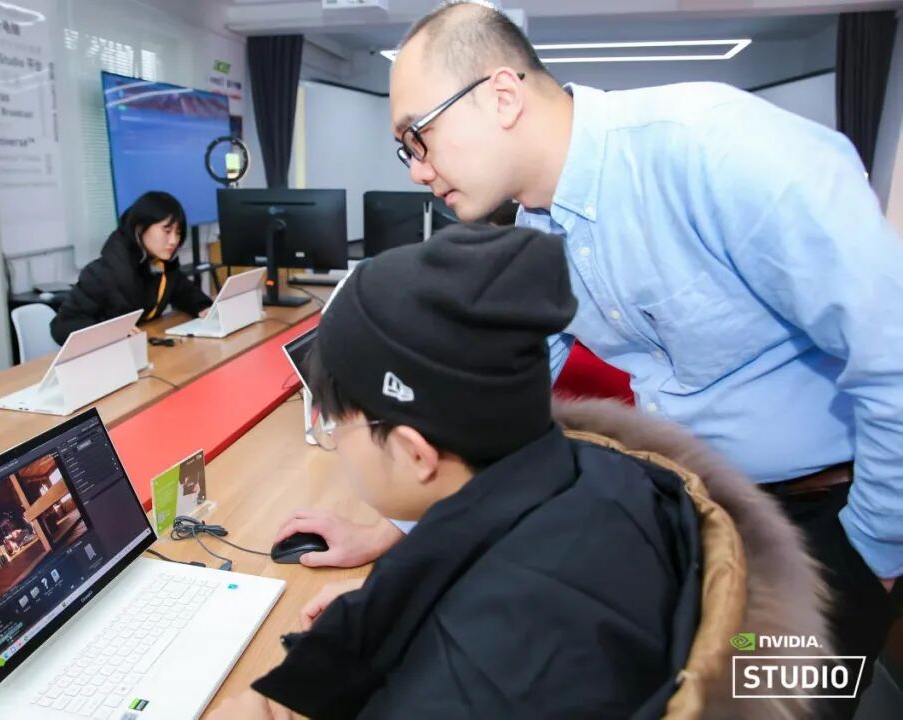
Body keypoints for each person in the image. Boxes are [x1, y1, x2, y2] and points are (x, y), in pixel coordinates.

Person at [282, 3, 902, 714]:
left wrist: (872, 553)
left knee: (785, 705)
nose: (419, 170)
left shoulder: (716, 148)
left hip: (834, 519)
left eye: (417, 138)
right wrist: (395, 537)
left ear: (502, 96)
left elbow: (894, 355)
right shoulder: (540, 231)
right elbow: (496, 414)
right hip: (708, 512)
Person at [211, 224, 828, 720]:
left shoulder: (479, 679)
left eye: (335, 424)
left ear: (415, 453)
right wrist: (392, 608)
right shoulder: (599, 475)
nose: (335, 443)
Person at [49, 191, 212, 344]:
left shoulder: (162, 265)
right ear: (140, 228)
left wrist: (202, 306)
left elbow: (183, 290)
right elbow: (63, 326)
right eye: (167, 231)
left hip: (141, 348)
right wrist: (111, 332)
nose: (174, 240)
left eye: (178, 232)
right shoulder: (102, 273)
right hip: (108, 355)